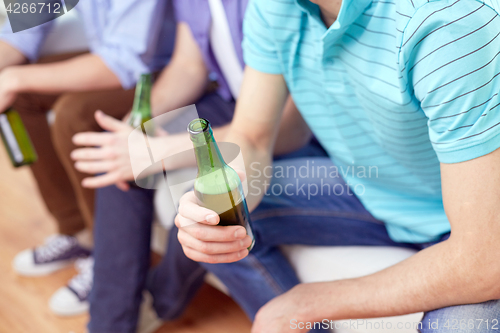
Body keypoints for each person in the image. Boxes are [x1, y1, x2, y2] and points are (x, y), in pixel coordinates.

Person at [173, 0, 500, 332]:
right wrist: (223, 202)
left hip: (478, 218)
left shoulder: (450, 23)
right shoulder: (274, 6)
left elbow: (484, 259)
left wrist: (310, 302)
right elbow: (253, 138)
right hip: (371, 184)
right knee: (218, 220)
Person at [70, 0, 324, 331]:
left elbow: (287, 131)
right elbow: (188, 67)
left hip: (281, 127)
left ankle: (162, 301)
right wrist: (139, 129)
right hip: (229, 105)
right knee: (117, 155)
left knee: (209, 205)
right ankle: (109, 323)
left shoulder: (275, 9)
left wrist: (160, 151)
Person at [0, 0, 175, 316]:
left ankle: (105, 258)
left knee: (74, 115)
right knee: (19, 98)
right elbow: (21, 30)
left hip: (161, 69)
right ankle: (77, 231)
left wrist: (14, 78)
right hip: (110, 55)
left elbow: (124, 61)